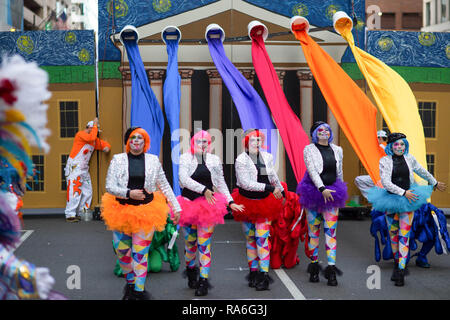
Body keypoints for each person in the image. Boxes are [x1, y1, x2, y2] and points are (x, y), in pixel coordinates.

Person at [101, 127, 181, 300]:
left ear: (145, 142)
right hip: (121, 211)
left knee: (140, 253)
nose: (136, 140)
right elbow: (109, 186)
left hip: (146, 212)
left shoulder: (153, 160)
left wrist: (177, 208)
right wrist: (129, 193)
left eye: (140, 138)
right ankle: (131, 283)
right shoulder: (118, 159)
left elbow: (165, 185)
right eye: (132, 138)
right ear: (127, 141)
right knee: (122, 251)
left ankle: (138, 291)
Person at [367, 132, 446, 286]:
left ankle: (401, 270)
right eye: (396, 144)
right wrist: (403, 192)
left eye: (402, 144)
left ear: (406, 146)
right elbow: (386, 182)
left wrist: (434, 182)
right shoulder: (385, 161)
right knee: (394, 236)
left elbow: (422, 171)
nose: (400, 147)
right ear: (390, 146)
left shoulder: (410, 158)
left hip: (408, 202)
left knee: (405, 236)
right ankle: (398, 264)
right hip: (390, 200)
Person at [177, 130, 244, 296]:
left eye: (206, 141)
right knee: (190, 244)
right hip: (188, 205)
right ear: (193, 142)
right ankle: (191, 271)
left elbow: (221, 183)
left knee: (204, 245)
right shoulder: (185, 158)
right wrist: (204, 189)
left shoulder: (214, 160)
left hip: (208, 207)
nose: (203, 144)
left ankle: (203, 281)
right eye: (199, 141)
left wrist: (230, 202)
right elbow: (183, 179)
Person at [231, 129, 285, 291]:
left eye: (259, 140)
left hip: (264, 203)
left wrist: (282, 191)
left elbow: (272, 176)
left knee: (262, 239)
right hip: (246, 203)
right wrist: (270, 188)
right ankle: (253, 272)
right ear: (246, 142)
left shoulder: (267, 157)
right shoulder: (241, 160)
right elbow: (246, 183)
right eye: (253, 140)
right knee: (250, 239)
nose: (257, 143)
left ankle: (263, 275)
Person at [296, 121, 347, 286]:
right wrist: (321, 188)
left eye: (326, 129)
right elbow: (311, 170)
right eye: (320, 130)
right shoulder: (309, 150)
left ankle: (331, 270)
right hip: (314, 193)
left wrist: (340, 191)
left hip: (332, 194)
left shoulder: (338, 150)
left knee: (331, 233)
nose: (324, 132)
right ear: (314, 134)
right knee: (314, 232)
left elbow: (339, 172)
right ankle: (314, 267)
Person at [64, 118, 111, 222]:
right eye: (94, 130)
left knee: (87, 191)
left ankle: (83, 212)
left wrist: (106, 147)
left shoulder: (93, 140)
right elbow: (91, 138)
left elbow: (102, 144)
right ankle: (70, 214)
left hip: (84, 168)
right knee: (74, 190)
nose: (97, 133)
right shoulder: (80, 134)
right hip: (74, 167)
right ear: (89, 128)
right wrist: (95, 124)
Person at [354, 130, 388, 200]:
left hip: (381, 177)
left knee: (358, 180)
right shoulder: (387, 147)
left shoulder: (380, 147)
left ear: (380, 138)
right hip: (384, 177)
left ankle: (374, 198)